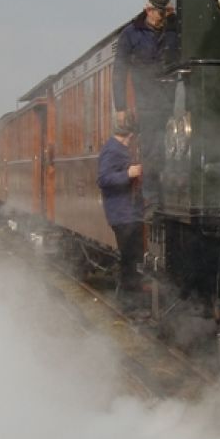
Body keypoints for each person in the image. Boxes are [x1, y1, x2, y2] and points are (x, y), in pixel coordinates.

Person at [113, 0, 180, 210]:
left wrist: (174, 20)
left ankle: (173, 191)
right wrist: (120, 107)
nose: (161, 18)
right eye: (158, 13)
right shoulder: (130, 35)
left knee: (175, 147)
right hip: (147, 100)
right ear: (148, 10)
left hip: (174, 97)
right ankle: (152, 198)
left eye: (164, 12)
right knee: (152, 147)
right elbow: (119, 72)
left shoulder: (174, 29)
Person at [96, 116, 147, 313]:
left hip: (129, 213)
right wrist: (128, 174)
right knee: (130, 260)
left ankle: (130, 302)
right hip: (122, 213)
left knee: (133, 259)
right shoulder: (112, 150)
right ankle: (128, 305)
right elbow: (103, 179)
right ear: (130, 135)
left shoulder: (120, 148)